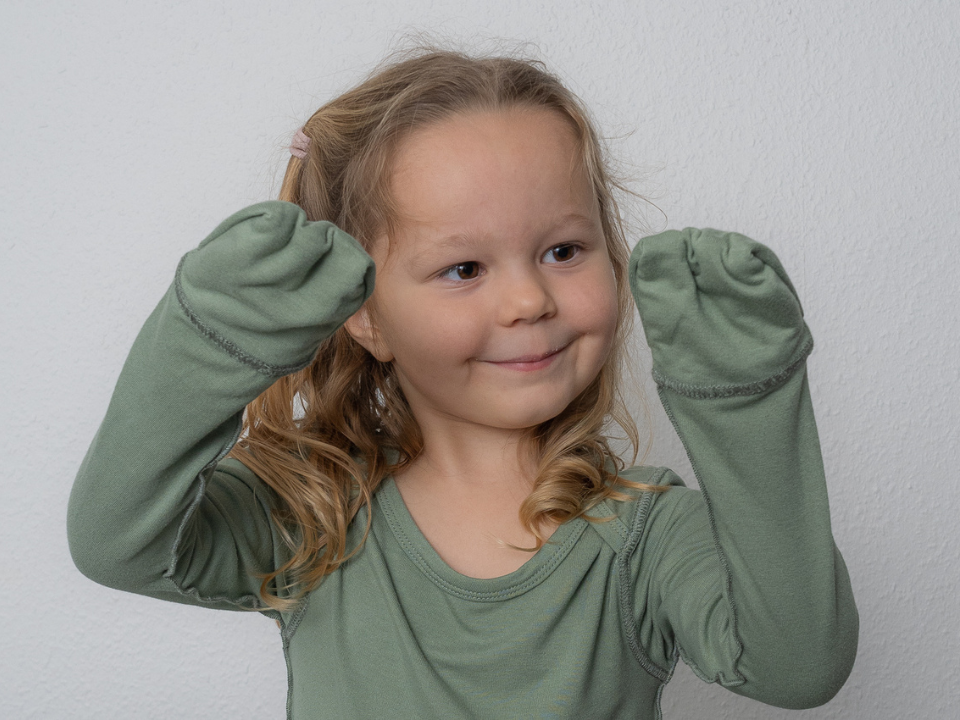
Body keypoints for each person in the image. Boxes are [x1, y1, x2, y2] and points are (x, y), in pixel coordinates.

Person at [67, 48, 858, 718]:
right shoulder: (312, 511)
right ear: (363, 312)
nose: (528, 301)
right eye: (463, 268)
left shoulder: (644, 534)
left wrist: (746, 402)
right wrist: (214, 339)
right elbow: (118, 544)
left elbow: (798, 666)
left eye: (562, 251)